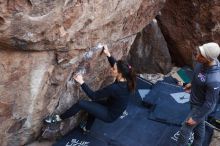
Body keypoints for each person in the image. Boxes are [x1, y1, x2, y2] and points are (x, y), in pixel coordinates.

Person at [44, 45, 136, 130]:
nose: (112, 69)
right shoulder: (126, 78)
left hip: (110, 114)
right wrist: (108, 54)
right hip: (112, 106)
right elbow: (115, 64)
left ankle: (58, 118)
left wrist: (81, 82)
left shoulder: (115, 88)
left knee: (81, 103)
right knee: (93, 105)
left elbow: (94, 96)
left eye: (114, 69)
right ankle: (87, 128)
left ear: (119, 73)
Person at [177, 42, 220, 146]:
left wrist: (196, 117)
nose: (197, 55)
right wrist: (191, 84)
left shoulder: (214, 79)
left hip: (200, 106)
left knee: (185, 129)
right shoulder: (203, 62)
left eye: (201, 54)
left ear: (208, 59)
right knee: (199, 127)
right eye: (200, 51)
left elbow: (210, 104)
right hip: (195, 100)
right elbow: (199, 75)